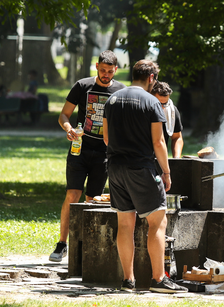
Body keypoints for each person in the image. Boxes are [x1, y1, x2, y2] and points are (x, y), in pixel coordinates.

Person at [103, 59, 188, 293]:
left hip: (115, 169)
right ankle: (158, 279)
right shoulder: (151, 102)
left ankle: (128, 280)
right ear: (151, 78)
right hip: (141, 168)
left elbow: (107, 139)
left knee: (125, 225)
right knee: (158, 222)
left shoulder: (113, 98)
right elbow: (159, 142)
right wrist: (167, 171)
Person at [50, 50, 126, 262]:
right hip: (79, 149)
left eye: (110, 72)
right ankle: (62, 244)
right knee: (72, 195)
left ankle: (85, 247)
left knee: (93, 200)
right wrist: (68, 128)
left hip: (104, 153)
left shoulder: (121, 90)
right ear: (96, 67)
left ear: (115, 70)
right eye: (103, 70)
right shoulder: (82, 86)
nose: (106, 75)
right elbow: (64, 114)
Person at [150, 81, 184, 158]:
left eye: (165, 104)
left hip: (160, 158)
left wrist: (176, 159)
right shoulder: (142, 109)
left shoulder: (171, 111)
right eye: (159, 104)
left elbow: (177, 137)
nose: (162, 107)